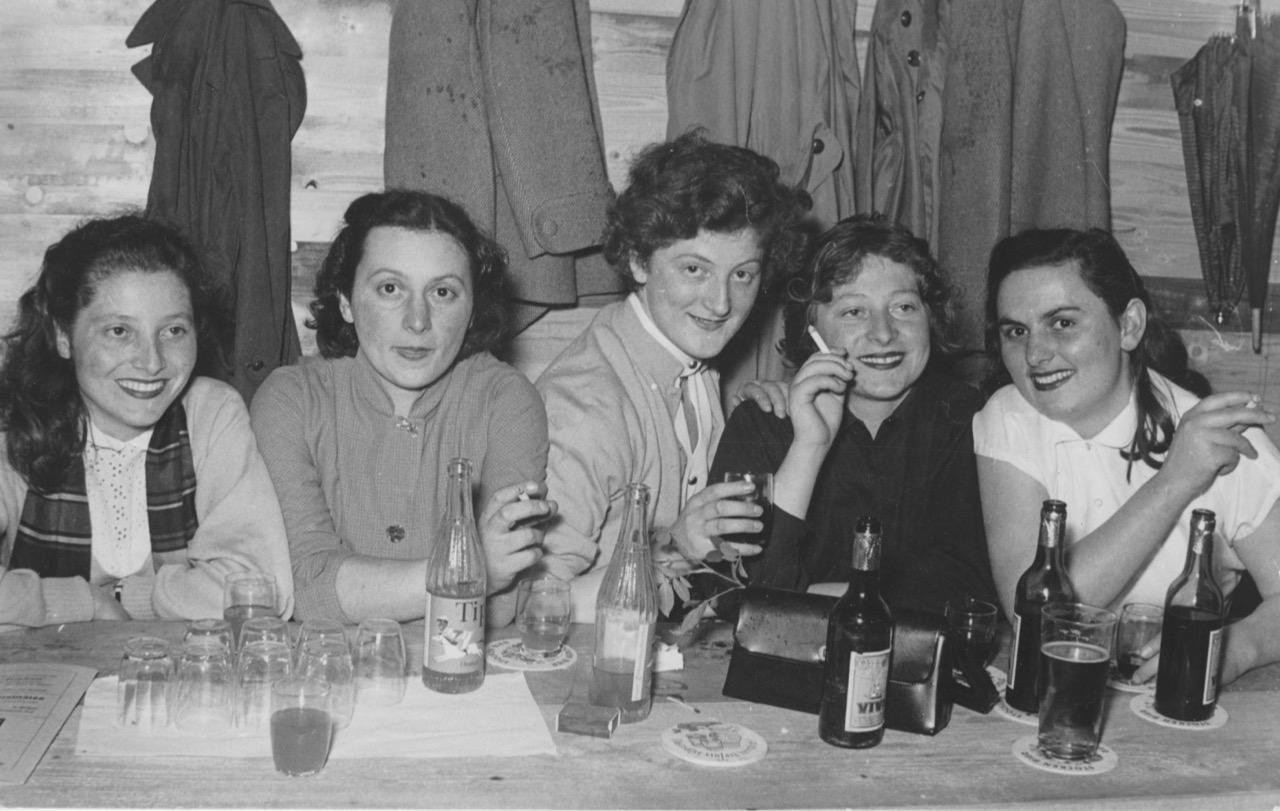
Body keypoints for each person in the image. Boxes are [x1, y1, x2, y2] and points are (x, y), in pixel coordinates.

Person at [974, 227, 1280, 684]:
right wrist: (1175, 480)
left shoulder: (1218, 433)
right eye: (1016, 331)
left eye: (1062, 323)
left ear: (1129, 326)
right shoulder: (1008, 417)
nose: (1035, 354)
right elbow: (1035, 615)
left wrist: (1234, 649)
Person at [536, 131, 811, 617]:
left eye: (742, 274)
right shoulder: (586, 409)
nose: (721, 302)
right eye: (694, 270)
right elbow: (537, 605)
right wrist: (675, 548)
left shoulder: (693, 363)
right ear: (639, 260)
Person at [250, 190, 555, 626]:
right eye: (390, 288)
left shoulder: (507, 401)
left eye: (444, 293)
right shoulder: (290, 400)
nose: (417, 321)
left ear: (471, 310)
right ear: (346, 301)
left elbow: (503, 604)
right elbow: (303, 589)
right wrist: (469, 571)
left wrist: (482, 575)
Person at [0, 215, 294, 628]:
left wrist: (127, 597)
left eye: (173, 330)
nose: (152, 362)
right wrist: (80, 601)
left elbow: (261, 591)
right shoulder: (14, 425)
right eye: (119, 331)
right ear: (63, 335)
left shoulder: (211, 413)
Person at [709, 215, 996, 615]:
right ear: (811, 329)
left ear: (931, 317)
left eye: (904, 307)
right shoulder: (762, 424)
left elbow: (970, 596)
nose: (883, 333)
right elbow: (741, 599)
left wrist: (814, 595)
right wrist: (809, 446)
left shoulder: (969, 419)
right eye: (853, 312)